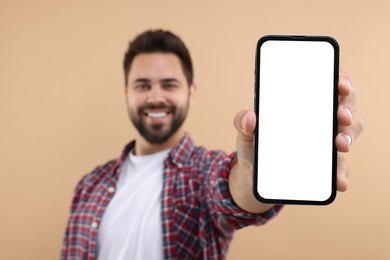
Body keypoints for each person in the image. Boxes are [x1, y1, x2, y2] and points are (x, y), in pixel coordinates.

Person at [61, 29, 364, 259]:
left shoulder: (202, 170)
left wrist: (253, 171)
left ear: (190, 92)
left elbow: (233, 193)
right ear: (127, 92)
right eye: (143, 85)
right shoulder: (90, 185)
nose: (155, 97)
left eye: (169, 84)